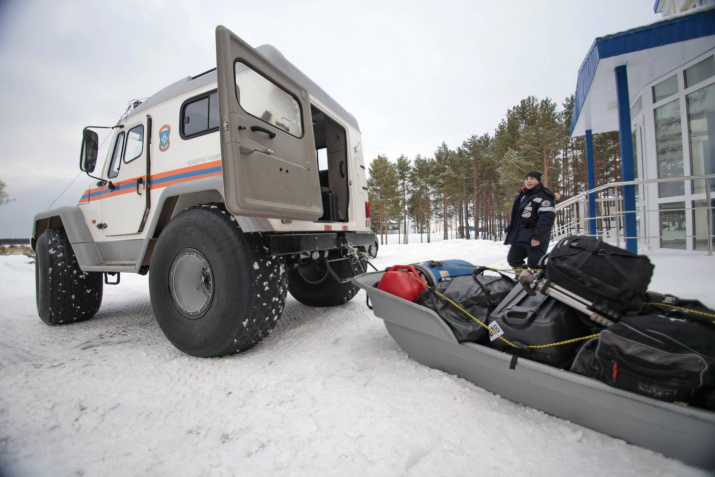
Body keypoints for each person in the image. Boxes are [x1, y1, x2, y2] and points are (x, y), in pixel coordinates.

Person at [504, 170, 556, 270]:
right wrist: (510, 228)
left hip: (535, 237)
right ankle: (522, 281)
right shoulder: (522, 195)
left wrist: (538, 237)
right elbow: (517, 217)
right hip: (520, 235)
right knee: (513, 259)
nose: (528, 181)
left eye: (532, 178)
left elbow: (546, 219)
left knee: (535, 264)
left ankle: (539, 283)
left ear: (538, 180)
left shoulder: (545, 196)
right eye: (526, 179)